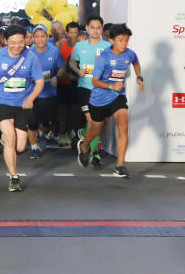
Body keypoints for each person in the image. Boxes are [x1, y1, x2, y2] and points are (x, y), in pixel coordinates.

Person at [0, 25, 45, 192]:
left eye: (20, 42)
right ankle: (14, 177)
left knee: (20, 147)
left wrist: (31, 98)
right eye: (12, 42)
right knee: (10, 137)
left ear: (25, 41)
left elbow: (40, 82)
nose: (16, 46)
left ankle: (6, 142)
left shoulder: (31, 57)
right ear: (6, 41)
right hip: (0, 102)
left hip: (22, 104)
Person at [78, 23, 143, 178]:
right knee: (96, 130)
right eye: (120, 40)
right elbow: (94, 81)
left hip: (118, 97)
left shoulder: (129, 54)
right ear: (112, 40)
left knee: (124, 126)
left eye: (126, 40)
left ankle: (120, 166)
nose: (124, 44)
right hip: (99, 100)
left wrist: (139, 77)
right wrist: (111, 85)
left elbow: (136, 62)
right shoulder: (104, 58)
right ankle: (84, 145)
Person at [70, 16, 111, 164]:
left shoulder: (108, 47)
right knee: (93, 121)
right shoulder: (80, 46)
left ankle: (84, 134)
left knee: (101, 123)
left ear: (102, 29)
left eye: (98, 27)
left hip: (102, 89)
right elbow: (72, 61)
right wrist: (77, 71)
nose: (95, 30)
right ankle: (94, 154)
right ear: (87, 28)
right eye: (92, 27)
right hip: (85, 87)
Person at [27, 24, 64, 160]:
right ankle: (34, 148)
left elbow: (62, 67)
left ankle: (43, 133)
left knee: (48, 122)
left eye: (42, 36)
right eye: (37, 36)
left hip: (50, 93)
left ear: (47, 37)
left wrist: (57, 77)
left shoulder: (54, 51)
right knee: (31, 122)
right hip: (33, 94)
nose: (40, 39)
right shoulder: (28, 53)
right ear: (33, 38)